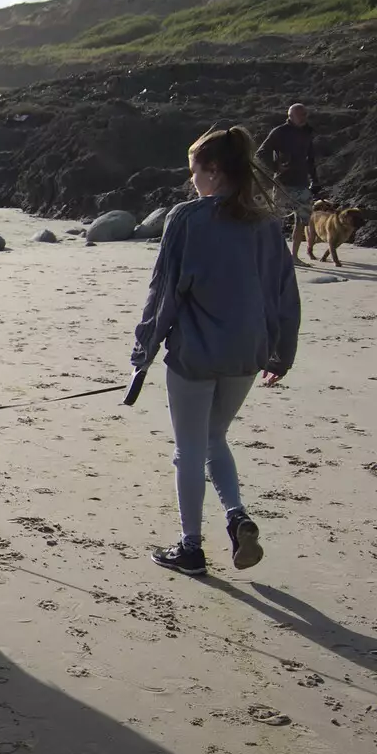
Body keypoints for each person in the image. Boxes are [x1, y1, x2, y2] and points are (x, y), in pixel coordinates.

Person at [132, 125, 301, 577]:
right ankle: (236, 516)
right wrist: (282, 353)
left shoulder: (186, 218)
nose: (192, 181)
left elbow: (165, 290)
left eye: (195, 171)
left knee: (188, 449)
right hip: (247, 352)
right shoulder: (267, 224)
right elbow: (283, 291)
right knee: (214, 438)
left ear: (213, 170)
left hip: (196, 354)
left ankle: (190, 547)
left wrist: (144, 351)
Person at [256, 104, 319, 264]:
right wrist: (275, 166)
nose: (304, 117)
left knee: (302, 220)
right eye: (300, 114)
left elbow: (311, 158)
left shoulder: (307, 132)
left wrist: (315, 180)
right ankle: (273, 256)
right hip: (282, 184)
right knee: (276, 221)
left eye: (305, 113)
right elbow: (261, 153)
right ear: (290, 116)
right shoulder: (280, 132)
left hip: (302, 183)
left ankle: (294, 257)